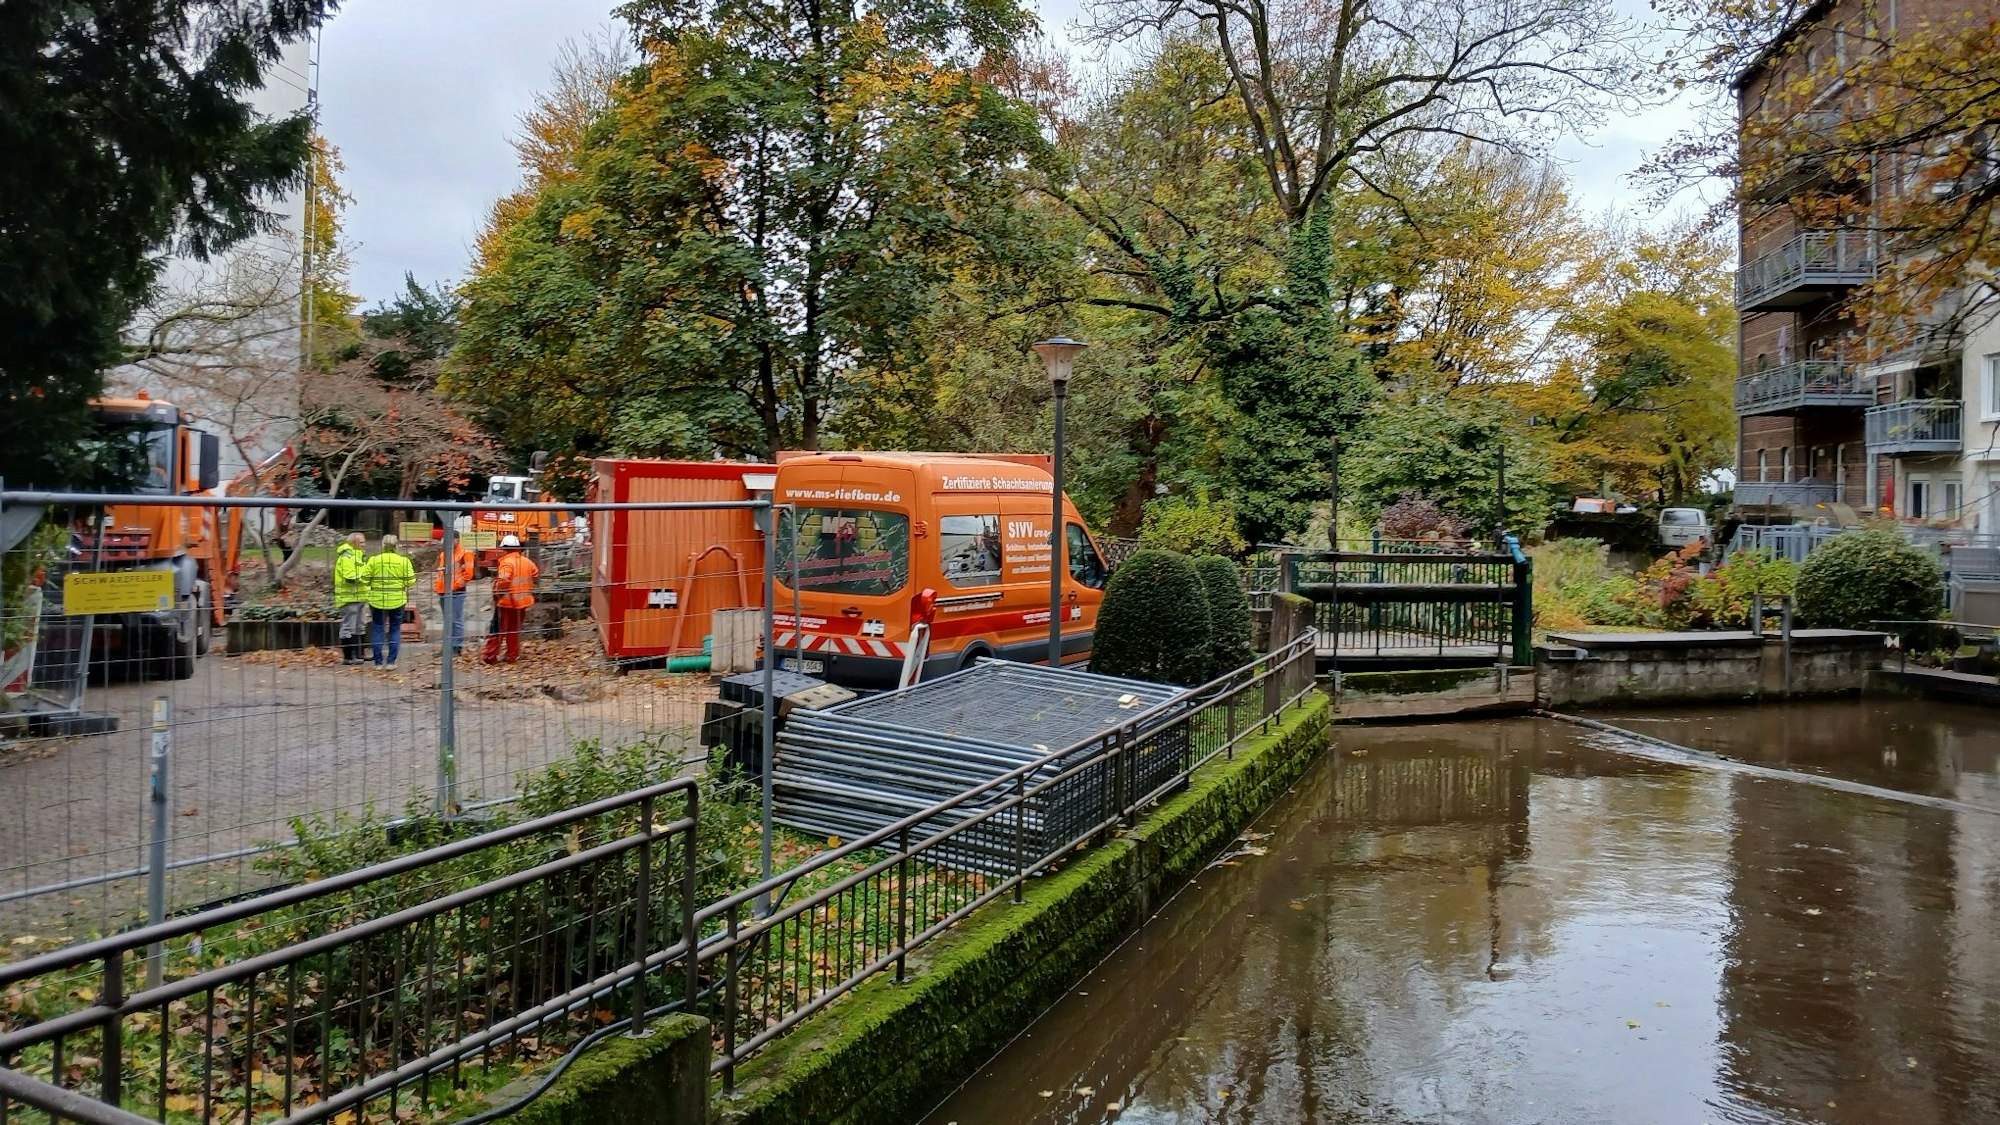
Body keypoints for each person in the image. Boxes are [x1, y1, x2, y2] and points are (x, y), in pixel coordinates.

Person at [483, 534, 540, 665]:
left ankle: (489, 657)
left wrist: (496, 593)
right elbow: (535, 573)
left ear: (505, 549)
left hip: (506, 603)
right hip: (522, 602)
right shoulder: (527, 561)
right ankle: (512, 656)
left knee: (496, 629)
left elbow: (503, 581)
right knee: (513, 630)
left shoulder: (506, 562)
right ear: (518, 549)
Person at [362, 533, 416, 669]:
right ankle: (391, 662)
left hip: (377, 600)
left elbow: (364, 579)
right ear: (396, 545)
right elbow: (410, 581)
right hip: (397, 600)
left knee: (378, 628)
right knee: (394, 629)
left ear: (383, 545)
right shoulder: (403, 561)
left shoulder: (374, 560)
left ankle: (378, 663)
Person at [433, 535, 475, 657]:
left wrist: (456, 585)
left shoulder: (465, 554)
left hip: (456, 591)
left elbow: (468, 574)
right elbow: (441, 572)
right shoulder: (444, 554)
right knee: (448, 620)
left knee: (456, 620)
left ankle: (456, 647)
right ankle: (447, 647)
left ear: (457, 540)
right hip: (443, 591)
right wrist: (438, 586)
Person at [333, 533, 369, 665]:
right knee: (349, 627)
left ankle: (359, 654)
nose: (364, 545)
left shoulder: (360, 556)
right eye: (362, 542)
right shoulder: (347, 557)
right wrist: (366, 577)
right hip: (349, 597)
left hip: (360, 596)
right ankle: (348, 657)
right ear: (354, 543)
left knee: (360, 626)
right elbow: (350, 577)